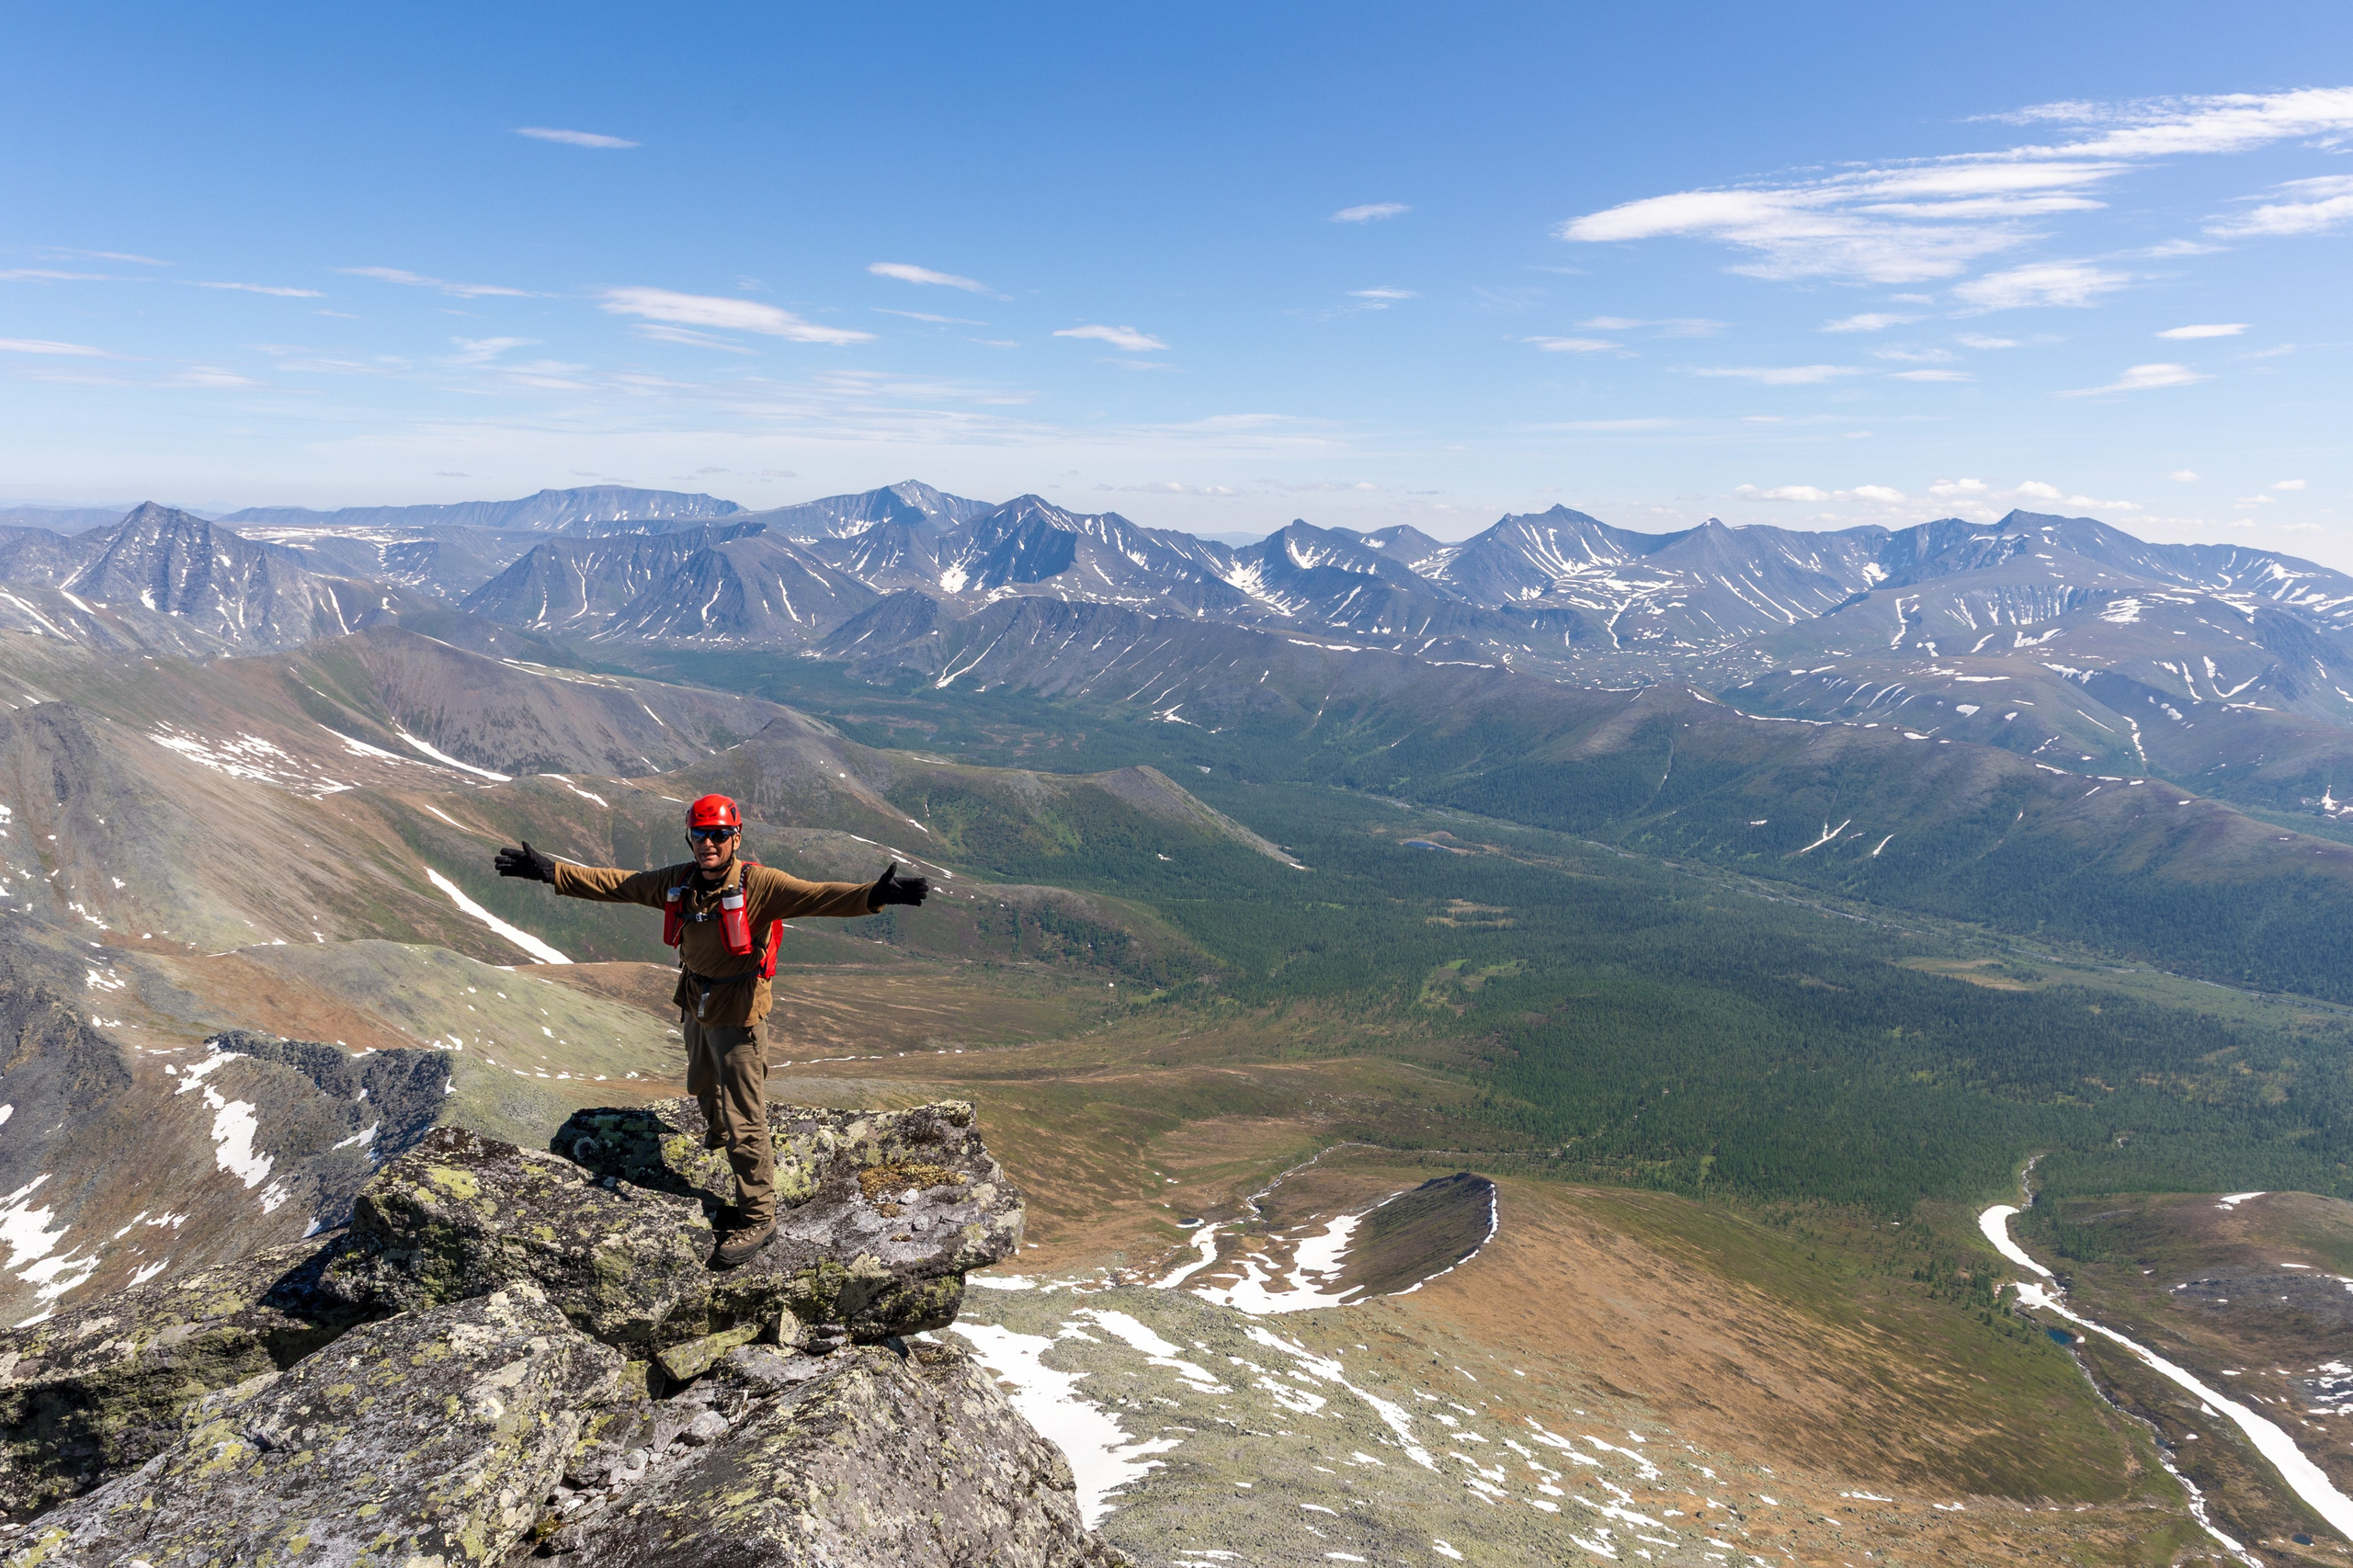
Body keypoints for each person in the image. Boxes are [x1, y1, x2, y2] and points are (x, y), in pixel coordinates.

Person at [493, 793, 927, 1267]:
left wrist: (875, 895)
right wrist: (551, 871)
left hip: (738, 1012)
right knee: (701, 1084)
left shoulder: (759, 884)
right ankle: (720, 1134)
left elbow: (816, 895)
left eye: (718, 834)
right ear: (690, 837)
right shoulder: (679, 881)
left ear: (735, 836)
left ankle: (759, 1216)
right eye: (700, 834)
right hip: (695, 999)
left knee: (746, 1116)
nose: (709, 844)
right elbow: (619, 884)